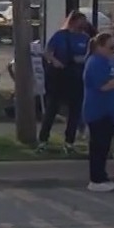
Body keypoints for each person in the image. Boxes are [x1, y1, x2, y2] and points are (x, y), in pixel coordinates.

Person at [84, 32, 114, 192]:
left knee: (104, 147)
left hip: (109, 111)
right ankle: (95, 180)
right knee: (98, 147)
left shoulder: (110, 62)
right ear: (99, 47)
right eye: (111, 47)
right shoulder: (95, 62)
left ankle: (102, 177)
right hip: (97, 110)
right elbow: (103, 86)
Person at [37, 11, 90, 153]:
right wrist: (55, 61)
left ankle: (69, 142)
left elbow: (89, 55)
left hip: (77, 77)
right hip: (59, 76)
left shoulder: (86, 38)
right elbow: (47, 52)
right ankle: (43, 140)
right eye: (81, 21)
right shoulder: (60, 36)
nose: (83, 24)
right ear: (72, 21)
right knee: (52, 109)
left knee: (75, 111)